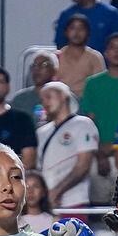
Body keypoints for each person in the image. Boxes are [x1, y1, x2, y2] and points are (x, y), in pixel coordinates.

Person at [35, 80, 99, 210]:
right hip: (45, 201)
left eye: (49, 97)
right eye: (42, 100)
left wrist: (56, 192)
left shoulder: (83, 124)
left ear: (63, 96)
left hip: (74, 200)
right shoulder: (41, 132)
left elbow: (83, 166)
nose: (44, 103)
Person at [53, 11, 106, 97]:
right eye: (72, 28)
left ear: (88, 33)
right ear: (66, 32)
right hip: (60, 101)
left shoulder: (95, 57)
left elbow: (99, 86)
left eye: (81, 28)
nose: (76, 32)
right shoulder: (57, 56)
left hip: (86, 103)